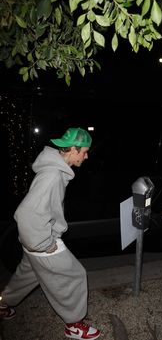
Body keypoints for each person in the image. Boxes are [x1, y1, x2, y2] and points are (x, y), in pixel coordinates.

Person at [0, 127, 101, 340]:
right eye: (84, 151)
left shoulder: (56, 169)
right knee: (75, 275)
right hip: (42, 241)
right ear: (72, 149)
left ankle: (3, 303)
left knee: (27, 276)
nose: (86, 155)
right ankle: (73, 325)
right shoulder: (53, 176)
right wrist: (46, 244)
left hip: (34, 241)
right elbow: (26, 213)